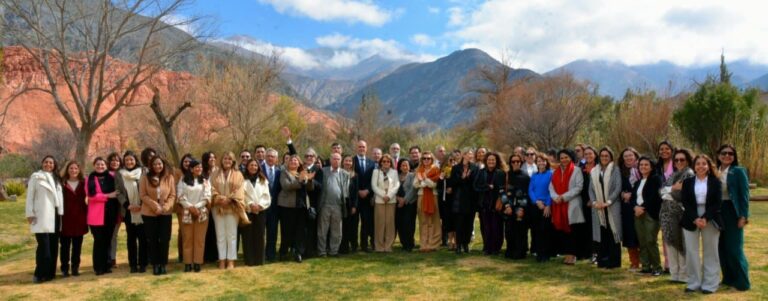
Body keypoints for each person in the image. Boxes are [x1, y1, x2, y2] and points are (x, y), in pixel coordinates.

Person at [681, 155, 722, 294]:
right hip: (690, 217)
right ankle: (693, 282)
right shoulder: (687, 182)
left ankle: (710, 284)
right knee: (692, 251)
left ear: (709, 166)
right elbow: (685, 202)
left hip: (710, 217)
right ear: (694, 166)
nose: (701, 166)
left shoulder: (715, 181)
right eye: (698, 163)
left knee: (711, 251)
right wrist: (695, 218)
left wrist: (705, 218)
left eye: (704, 163)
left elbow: (717, 202)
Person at [716, 144, 751, 291]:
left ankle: (742, 283)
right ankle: (728, 279)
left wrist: (743, 216)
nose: (727, 156)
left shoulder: (738, 171)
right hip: (718, 212)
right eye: (724, 153)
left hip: (732, 211)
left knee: (734, 248)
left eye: (731, 153)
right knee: (722, 247)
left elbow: (744, 195)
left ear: (734, 156)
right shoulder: (714, 171)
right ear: (718, 155)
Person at [26, 156, 63, 283]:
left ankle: (50, 274)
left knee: (53, 246)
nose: (48, 164)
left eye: (51, 162)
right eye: (46, 162)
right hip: (41, 216)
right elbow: (30, 196)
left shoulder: (57, 179)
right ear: (42, 163)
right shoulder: (36, 177)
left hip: (55, 216)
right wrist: (29, 213)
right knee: (44, 247)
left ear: (54, 165)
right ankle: (39, 274)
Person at [660, 148, 695, 282]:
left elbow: (681, 194)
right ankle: (674, 274)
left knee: (680, 243)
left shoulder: (689, 174)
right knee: (670, 242)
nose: (679, 162)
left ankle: (683, 275)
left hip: (679, 213)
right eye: (676, 160)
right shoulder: (673, 175)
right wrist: (671, 189)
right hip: (666, 214)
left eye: (682, 159)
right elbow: (661, 191)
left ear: (688, 160)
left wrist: (669, 192)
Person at [210, 152, 248, 269]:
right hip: (218, 207)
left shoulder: (238, 174)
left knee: (231, 235)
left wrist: (229, 199)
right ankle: (222, 259)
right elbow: (210, 188)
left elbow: (240, 190)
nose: (227, 161)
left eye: (230, 159)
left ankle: (231, 260)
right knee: (220, 234)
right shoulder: (214, 174)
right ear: (221, 160)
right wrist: (219, 198)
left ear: (233, 161)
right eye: (225, 158)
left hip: (233, 206)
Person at [140, 156, 176, 275]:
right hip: (150, 213)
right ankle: (155, 264)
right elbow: (143, 195)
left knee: (165, 239)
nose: (157, 166)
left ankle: (163, 263)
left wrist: (164, 208)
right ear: (151, 165)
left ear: (163, 165)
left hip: (165, 213)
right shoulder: (145, 178)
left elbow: (172, 195)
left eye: (159, 164)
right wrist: (155, 206)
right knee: (153, 239)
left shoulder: (169, 177)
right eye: (155, 164)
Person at [549, 149, 585, 265]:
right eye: (562, 158)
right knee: (563, 231)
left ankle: (573, 255)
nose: (564, 159)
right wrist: (555, 197)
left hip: (572, 204)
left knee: (572, 231)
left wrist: (563, 197)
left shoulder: (577, 170)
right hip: (558, 205)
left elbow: (578, 187)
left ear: (571, 157)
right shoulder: (555, 172)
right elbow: (551, 187)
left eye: (566, 157)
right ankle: (567, 254)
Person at [588, 147, 623, 269]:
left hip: (612, 206)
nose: (604, 158)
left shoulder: (615, 170)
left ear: (611, 157)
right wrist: (594, 202)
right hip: (598, 207)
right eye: (602, 156)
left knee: (613, 233)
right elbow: (591, 189)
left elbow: (618, 188)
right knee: (602, 233)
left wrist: (608, 202)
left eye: (606, 156)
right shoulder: (594, 171)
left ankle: (614, 261)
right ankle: (603, 260)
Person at [278, 155, 316, 262]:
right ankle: (284, 252)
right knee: (287, 230)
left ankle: (298, 253)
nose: (294, 162)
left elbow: (311, 188)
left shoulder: (302, 173)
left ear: (299, 163)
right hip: (287, 206)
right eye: (291, 160)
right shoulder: (284, 173)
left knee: (301, 231)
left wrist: (309, 180)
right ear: (288, 163)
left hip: (302, 206)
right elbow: (286, 186)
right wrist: (300, 181)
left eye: (296, 160)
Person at [115, 151, 147, 273]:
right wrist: (127, 205)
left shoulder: (143, 172)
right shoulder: (119, 174)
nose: (129, 162)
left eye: (131, 160)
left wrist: (141, 204)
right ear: (124, 161)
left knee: (143, 238)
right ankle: (133, 264)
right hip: (128, 210)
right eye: (127, 160)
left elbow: (147, 189)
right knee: (131, 239)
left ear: (135, 160)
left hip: (142, 209)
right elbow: (118, 191)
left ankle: (143, 263)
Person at [177, 159, 211, 272]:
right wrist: (190, 207)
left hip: (201, 212)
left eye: (200, 167)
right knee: (187, 238)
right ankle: (187, 263)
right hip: (187, 212)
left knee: (199, 239)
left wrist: (197, 207)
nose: (199, 169)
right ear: (191, 169)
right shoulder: (183, 180)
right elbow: (180, 196)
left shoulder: (205, 181)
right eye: (197, 167)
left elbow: (207, 196)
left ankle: (197, 262)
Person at [86, 157, 119, 276]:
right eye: (98, 164)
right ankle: (98, 267)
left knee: (108, 240)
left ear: (106, 166)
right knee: (98, 241)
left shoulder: (112, 177)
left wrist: (106, 195)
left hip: (110, 214)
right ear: (94, 166)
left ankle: (107, 264)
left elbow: (117, 193)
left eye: (102, 165)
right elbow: (91, 196)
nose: (100, 166)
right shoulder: (89, 178)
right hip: (96, 216)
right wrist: (108, 195)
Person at [631, 157, 663, 276]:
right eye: (641, 165)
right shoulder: (638, 182)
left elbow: (655, 196)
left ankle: (657, 267)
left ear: (652, 166)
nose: (643, 167)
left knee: (650, 240)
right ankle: (645, 266)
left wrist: (642, 208)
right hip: (638, 213)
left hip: (651, 213)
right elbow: (633, 198)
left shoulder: (656, 179)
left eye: (646, 164)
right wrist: (635, 207)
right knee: (642, 241)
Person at [317, 153, 351, 257]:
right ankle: (322, 251)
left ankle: (334, 251)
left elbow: (345, 192)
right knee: (322, 230)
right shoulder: (323, 171)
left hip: (338, 206)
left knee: (337, 231)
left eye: (338, 159)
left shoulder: (345, 174)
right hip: (325, 205)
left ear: (341, 161)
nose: (336, 160)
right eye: (334, 159)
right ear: (330, 160)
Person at [474, 152, 506, 255]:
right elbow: (476, 186)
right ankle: (487, 247)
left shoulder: (501, 173)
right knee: (486, 227)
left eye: (493, 160)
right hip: (484, 204)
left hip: (497, 204)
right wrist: (487, 187)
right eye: (489, 160)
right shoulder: (481, 172)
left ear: (496, 161)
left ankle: (496, 248)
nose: (491, 161)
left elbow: (503, 188)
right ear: (486, 161)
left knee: (497, 227)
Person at [59, 160, 87, 277]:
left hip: (80, 218)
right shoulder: (61, 183)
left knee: (77, 246)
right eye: (71, 168)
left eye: (76, 168)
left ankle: (75, 267)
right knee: (64, 246)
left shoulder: (84, 182)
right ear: (67, 169)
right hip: (65, 218)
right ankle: (65, 268)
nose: (73, 170)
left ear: (79, 170)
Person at [241, 159, 271, 266]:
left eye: (255, 165)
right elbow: (241, 196)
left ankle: (259, 259)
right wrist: (249, 205)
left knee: (259, 235)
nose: (253, 167)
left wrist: (259, 206)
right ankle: (249, 260)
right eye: (251, 165)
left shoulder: (263, 180)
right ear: (247, 167)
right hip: (247, 211)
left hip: (260, 210)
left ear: (258, 167)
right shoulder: (242, 180)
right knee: (247, 236)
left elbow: (267, 196)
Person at [448, 149, 477, 254]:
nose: (471, 156)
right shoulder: (456, 168)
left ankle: (466, 244)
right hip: (459, 199)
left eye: (471, 154)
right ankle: (459, 245)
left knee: (469, 224)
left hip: (470, 199)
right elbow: (452, 182)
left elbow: (475, 182)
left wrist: (468, 178)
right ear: (464, 155)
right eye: (469, 154)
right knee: (459, 223)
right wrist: (462, 178)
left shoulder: (474, 167)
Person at [618, 147, 642, 271]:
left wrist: (632, 194)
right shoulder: (620, 172)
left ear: (635, 156)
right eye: (625, 156)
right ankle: (634, 262)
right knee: (629, 234)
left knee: (641, 234)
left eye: (630, 155)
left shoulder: (641, 168)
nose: (628, 158)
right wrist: (622, 194)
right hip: (626, 207)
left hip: (640, 205)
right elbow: (616, 188)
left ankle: (646, 261)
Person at [414, 151, 442, 252]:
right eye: (424, 158)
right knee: (423, 221)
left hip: (433, 196)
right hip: (421, 196)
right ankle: (424, 244)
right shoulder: (418, 170)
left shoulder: (436, 170)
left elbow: (434, 185)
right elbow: (415, 184)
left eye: (428, 158)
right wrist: (426, 182)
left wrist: (424, 179)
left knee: (433, 221)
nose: (426, 160)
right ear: (422, 160)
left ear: (432, 159)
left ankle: (433, 244)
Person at [504, 154, 530, 259]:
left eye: (518, 161)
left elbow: (527, 194)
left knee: (521, 231)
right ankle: (510, 250)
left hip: (520, 208)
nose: (515, 163)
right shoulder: (506, 175)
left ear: (521, 162)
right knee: (509, 230)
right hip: (509, 208)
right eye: (513, 161)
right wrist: (506, 206)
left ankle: (520, 251)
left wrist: (522, 208)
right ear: (510, 163)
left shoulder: (526, 177)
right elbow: (502, 191)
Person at [371, 154, 400, 252]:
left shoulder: (394, 172)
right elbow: (374, 186)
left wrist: (389, 195)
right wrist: (383, 195)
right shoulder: (376, 172)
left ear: (390, 163)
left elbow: (396, 185)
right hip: (380, 201)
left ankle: (388, 246)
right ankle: (379, 246)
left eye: (388, 161)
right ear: (380, 162)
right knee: (379, 224)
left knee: (390, 224)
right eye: (384, 161)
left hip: (391, 201)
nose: (386, 163)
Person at [529, 154, 554, 262]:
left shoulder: (551, 174)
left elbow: (552, 190)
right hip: (536, 206)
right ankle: (539, 253)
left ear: (546, 162)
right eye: (538, 161)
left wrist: (547, 204)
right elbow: (531, 190)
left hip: (546, 206)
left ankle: (546, 253)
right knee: (537, 230)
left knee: (545, 230)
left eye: (543, 161)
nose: (541, 163)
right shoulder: (534, 176)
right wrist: (536, 201)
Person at [354, 140, 376, 252]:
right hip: (355, 197)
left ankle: (364, 245)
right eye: (359, 147)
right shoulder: (351, 161)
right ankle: (353, 245)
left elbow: (374, 179)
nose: (361, 148)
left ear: (366, 148)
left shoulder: (372, 163)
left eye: (363, 147)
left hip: (367, 197)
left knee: (366, 222)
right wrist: (358, 191)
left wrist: (368, 190)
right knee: (353, 222)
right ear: (356, 148)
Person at [581, 146, 599, 263]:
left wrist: (592, 199)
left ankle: (597, 253)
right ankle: (588, 252)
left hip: (596, 202)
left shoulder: (599, 168)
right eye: (586, 154)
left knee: (596, 229)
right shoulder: (581, 168)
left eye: (590, 154)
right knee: (587, 228)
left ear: (595, 155)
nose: (588, 156)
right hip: (584, 202)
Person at [263, 148, 282, 261]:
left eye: (273, 156)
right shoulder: (260, 170)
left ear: (276, 159)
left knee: (272, 232)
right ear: (265, 157)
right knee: (260, 233)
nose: (270, 158)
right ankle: (260, 254)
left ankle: (271, 255)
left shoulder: (279, 172)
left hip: (275, 208)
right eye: (268, 156)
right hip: (262, 207)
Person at [201, 151, 219, 263]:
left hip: (217, 204)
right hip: (205, 205)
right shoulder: (202, 172)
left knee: (216, 230)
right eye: (209, 158)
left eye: (213, 157)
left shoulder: (219, 171)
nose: (212, 159)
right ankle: (206, 255)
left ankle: (216, 255)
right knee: (206, 230)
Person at [395, 158, 417, 252]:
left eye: (406, 165)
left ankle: (410, 244)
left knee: (409, 224)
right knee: (400, 223)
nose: (404, 167)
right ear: (399, 167)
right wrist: (398, 199)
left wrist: (404, 200)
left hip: (410, 203)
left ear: (409, 166)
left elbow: (413, 189)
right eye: (403, 165)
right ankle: (403, 243)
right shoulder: (396, 176)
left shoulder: (412, 175)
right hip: (398, 204)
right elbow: (392, 188)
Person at [340, 155, 360, 254]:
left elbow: (356, 192)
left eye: (350, 161)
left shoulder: (355, 175)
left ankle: (354, 246)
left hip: (351, 203)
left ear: (352, 163)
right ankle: (344, 246)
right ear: (343, 162)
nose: (348, 162)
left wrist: (354, 206)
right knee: (343, 225)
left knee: (353, 226)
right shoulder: (338, 173)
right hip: (341, 202)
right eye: (346, 161)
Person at [106, 152, 122, 269]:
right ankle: (108, 258)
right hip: (107, 209)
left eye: (117, 160)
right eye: (112, 160)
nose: (115, 162)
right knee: (108, 235)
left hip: (120, 208)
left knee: (114, 235)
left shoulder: (122, 174)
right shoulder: (105, 175)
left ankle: (112, 258)